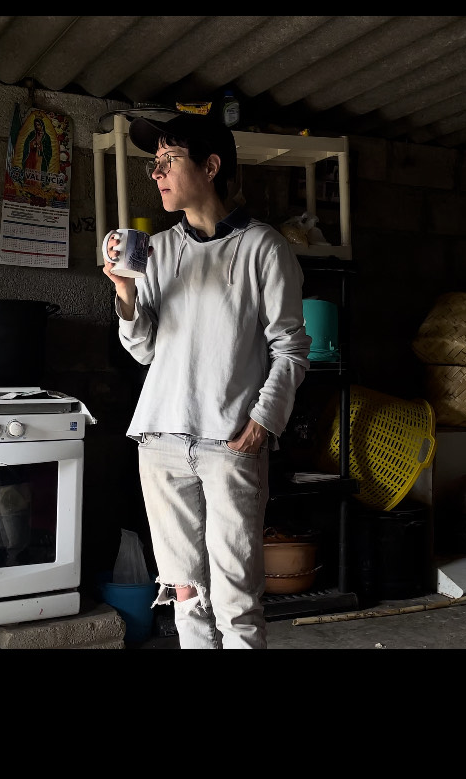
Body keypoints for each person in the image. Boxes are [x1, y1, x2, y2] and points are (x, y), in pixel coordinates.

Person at [101, 112, 312, 649]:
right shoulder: (158, 250)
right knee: (186, 594)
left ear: (211, 165)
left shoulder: (265, 248)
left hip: (229, 443)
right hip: (161, 441)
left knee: (237, 596)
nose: (157, 174)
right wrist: (125, 293)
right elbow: (144, 348)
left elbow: (290, 345)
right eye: (155, 164)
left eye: (169, 161)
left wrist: (264, 422)